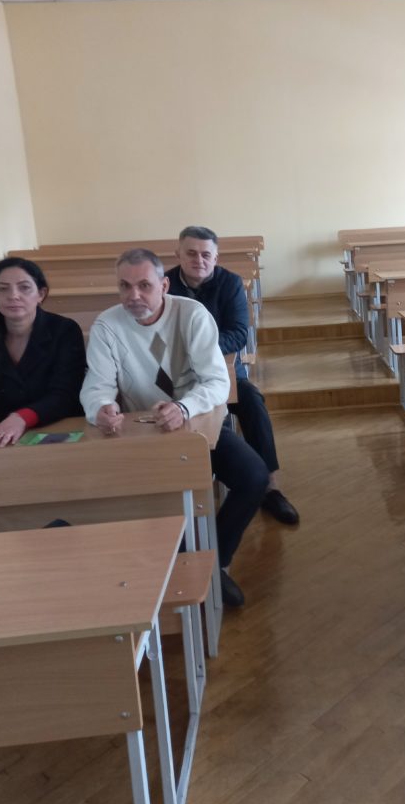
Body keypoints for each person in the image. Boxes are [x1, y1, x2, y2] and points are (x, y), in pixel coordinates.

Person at [80, 248, 269, 607]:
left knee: (254, 477)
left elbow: (217, 382)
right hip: (143, 431)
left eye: (144, 286)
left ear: (164, 285)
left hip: (198, 423)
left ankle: (214, 561)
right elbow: (97, 385)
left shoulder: (192, 314)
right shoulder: (107, 325)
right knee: (158, 498)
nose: (134, 295)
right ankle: (187, 566)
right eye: (124, 286)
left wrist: (184, 407)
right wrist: (100, 407)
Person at [166, 226, 299, 526]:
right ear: (178, 255)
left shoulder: (230, 283)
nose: (199, 260)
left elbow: (238, 334)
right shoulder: (165, 285)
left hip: (222, 371)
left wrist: (199, 351)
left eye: (206, 255)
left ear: (215, 258)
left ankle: (271, 488)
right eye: (191, 253)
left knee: (251, 399)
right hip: (176, 376)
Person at [0, 257, 85, 447]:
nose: (13, 295)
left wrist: (22, 417)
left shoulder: (64, 330)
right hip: (2, 436)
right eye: (3, 288)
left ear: (41, 294)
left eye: (24, 287)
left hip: (59, 427)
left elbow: (65, 394)